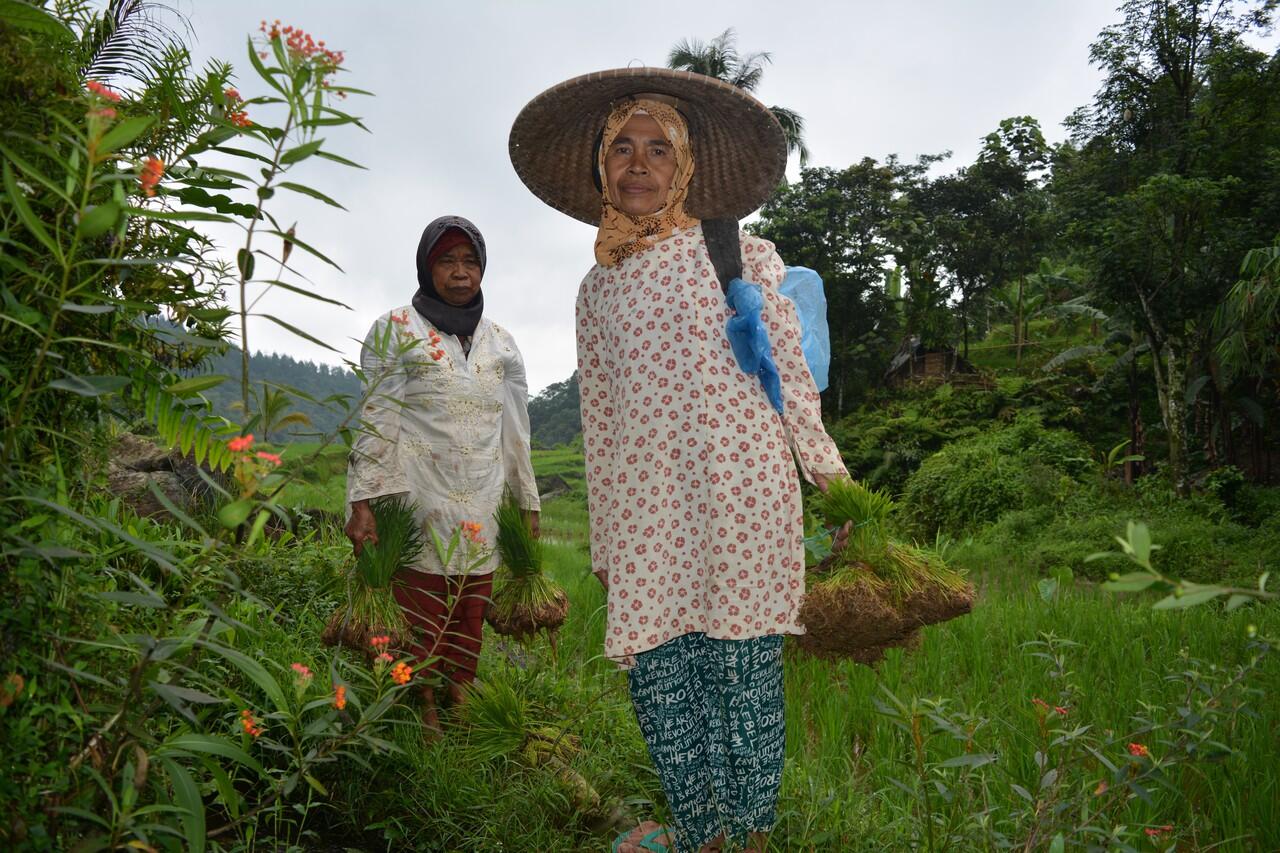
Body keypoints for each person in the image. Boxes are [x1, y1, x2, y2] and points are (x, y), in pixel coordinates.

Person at [510, 70, 850, 852]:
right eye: (621, 148)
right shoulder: (597, 290)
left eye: (658, 148)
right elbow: (599, 418)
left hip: (743, 498)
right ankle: (705, 837)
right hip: (647, 516)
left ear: (686, 163)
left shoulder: (741, 250)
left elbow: (788, 371)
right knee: (665, 691)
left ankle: (751, 839)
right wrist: (605, 543)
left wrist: (830, 477)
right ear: (601, 167)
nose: (638, 163)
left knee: (743, 686)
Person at [344, 215, 540, 730]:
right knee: (420, 607)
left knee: (471, 606)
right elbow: (376, 421)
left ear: (483, 269)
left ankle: (460, 696)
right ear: (427, 268)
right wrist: (363, 501)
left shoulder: (501, 343)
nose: (460, 272)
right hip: (417, 498)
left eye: (470, 261)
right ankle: (422, 704)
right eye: (447, 261)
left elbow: (516, 431)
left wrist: (527, 503)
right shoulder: (394, 331)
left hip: (482, 497)